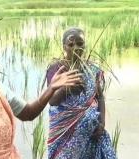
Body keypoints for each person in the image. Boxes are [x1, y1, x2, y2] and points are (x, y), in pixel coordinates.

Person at [46, 27, 116, 159]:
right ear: (64, 47)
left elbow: (100, 97)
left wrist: (102, 123)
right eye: (71, 44)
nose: (76, 48)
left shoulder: (93, 70)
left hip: (91, 132)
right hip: (64, 133)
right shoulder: (57, 69)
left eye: (80, 43)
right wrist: (68, 89)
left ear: (85, 45)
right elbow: (52, 100)